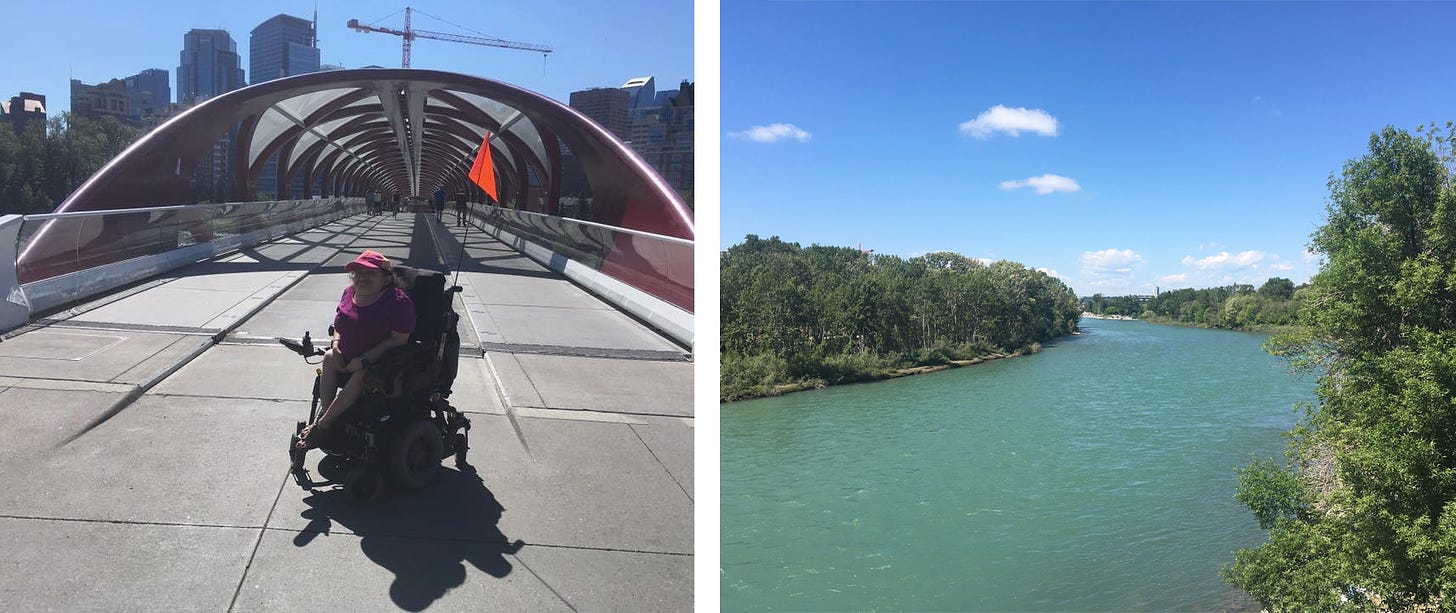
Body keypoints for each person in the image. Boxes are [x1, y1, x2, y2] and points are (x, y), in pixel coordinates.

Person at [297, 250, 416, 448]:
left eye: (370, 273)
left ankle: (322, 426)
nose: (362, 277)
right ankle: (330, 418)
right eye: (358, 272)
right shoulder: (349, 292)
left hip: (379, 362)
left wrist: (364, 359)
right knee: (327, 358)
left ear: (386, 278)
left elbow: (400, 339)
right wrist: (335, 346)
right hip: (345, 356)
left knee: (362, 375)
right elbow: (339, 326)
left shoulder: (397, 302)